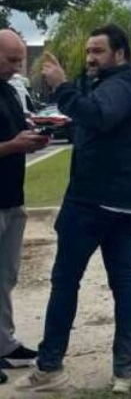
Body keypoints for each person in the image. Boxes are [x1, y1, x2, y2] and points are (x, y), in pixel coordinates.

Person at [17, 25, 131, 394]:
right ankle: (124, 370)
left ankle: (50, 367)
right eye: (88, 52)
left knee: (65, 281)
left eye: (97, 51)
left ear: (120, 53)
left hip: (93, 202)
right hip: (128, 206)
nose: (90, 58)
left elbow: (97, 115)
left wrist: (62, 86)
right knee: (124, 283)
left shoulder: (120, 86)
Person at [0, 30, 49, 386]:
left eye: (20, 60)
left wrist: (36, 136)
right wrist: (11, 146)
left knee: (6, 275)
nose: (17, 67)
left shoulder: (9, 90)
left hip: (12, 198)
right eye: (11, 60)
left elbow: (19, 132)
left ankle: (5, 343)